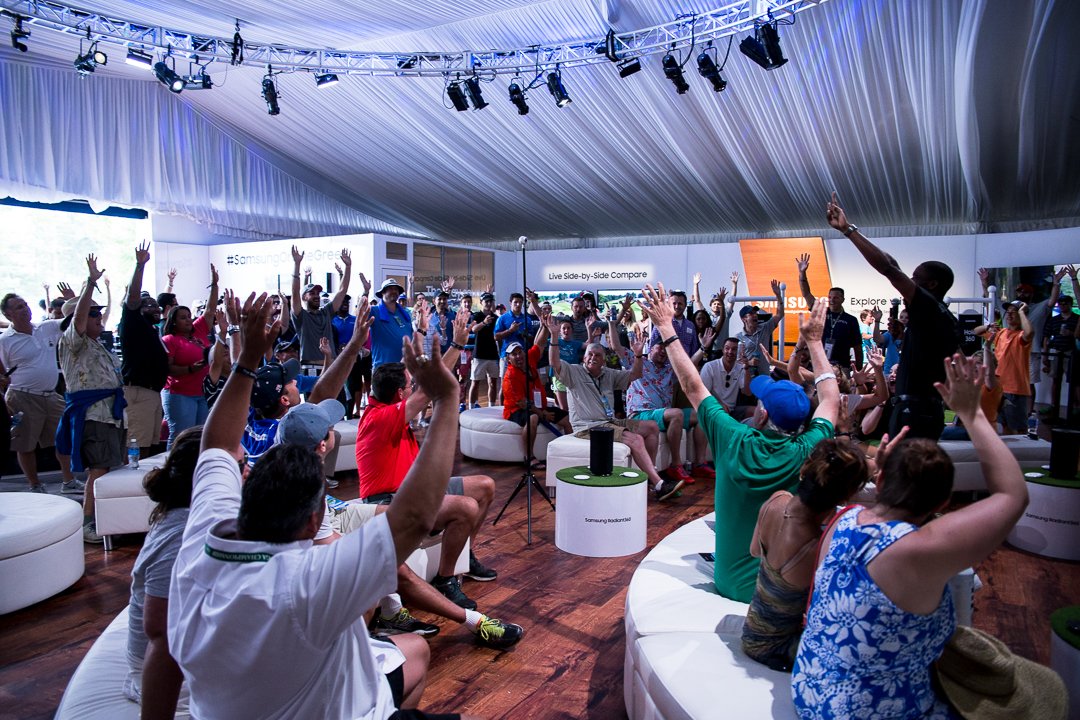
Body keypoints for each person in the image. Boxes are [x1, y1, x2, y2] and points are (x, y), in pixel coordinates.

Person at [168, 292, 468, 720]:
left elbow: (215, 445)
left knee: (409, 646)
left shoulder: (202, 542)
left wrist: (247, 358)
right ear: (313, 522)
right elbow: (415, 517)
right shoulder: (308, 585)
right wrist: (448, 398)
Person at [792, 353, 1030, 719]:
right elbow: (1013, 495)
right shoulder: (918, 548)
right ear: (944, 502)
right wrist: (973, 414)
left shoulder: (844, 519)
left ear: (881, 479)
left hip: (809, 692)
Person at [637, 284, 839, 603]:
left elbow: (691, 385)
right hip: (783, 590)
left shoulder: (734, 438)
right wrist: (815, 343)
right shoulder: (808, 447)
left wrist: (664, 326)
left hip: (732, 585)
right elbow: (831, 400)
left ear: (762, 413)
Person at [280, 401, 524, 651]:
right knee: (393, 567)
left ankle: (412, 599)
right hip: (328, 528)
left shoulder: (292, 461)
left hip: (341, 510)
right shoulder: (304, 487)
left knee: (412, 519)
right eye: (331, 428)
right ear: (322, 444)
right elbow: (325, 541)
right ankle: (475, 621)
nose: (336, 429)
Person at [356, 313, 499, 611]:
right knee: (465, 507)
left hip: (415, 489)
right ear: (400, 394)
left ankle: (465, 554)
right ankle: (445, 580)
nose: (414, 388)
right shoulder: (379, 418)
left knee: (484, 486)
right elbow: (433, 387)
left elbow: (423, 384)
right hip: (390, 500)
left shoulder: (388, 406)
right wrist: (456, 345)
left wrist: (426, 335)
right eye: (410, 385)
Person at [826, 193, 960, 439]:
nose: (910, 282)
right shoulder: (943, 317)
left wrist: (848, 230)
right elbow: (894, 266)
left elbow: (889, 269)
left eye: (916, 279)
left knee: (905, 462)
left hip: (916, 410)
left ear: (932, 285)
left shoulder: (930, 308)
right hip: (923, 408)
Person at [741, 438, 868, 672]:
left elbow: (754, 551)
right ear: (846, 497)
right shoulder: (815, 547)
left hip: (752, 632)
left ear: (805, 470)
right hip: (778, 648)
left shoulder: (776, 500)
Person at [542, 312, 678, 501]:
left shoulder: (608, 374)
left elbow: (635, 375)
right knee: (636, 439)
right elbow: (554, 363)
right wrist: (554, 336)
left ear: (603, 360)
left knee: (652, 426)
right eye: (590, 354)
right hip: (589, 426)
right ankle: (658, 483)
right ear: (584, 358)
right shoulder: (574, 372)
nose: (593, 358)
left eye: (597, 355)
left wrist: (638, 355)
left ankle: (648, 475)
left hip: (609, 422)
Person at [125, 426, 205, 718]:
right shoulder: (181, 536)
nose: (248, 471)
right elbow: (161, 632)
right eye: (239, 464)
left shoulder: (188, 513)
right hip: (169, 672)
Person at [56, 254, 127, 543]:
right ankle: (88, 521)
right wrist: (90, 283)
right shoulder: (73, 342)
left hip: (111, 414)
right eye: (93, 314)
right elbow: (79, 318)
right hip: (94, 415)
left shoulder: (98, 346)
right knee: (99, 469)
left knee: (111, 468)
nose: (99, 318)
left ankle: (108, 519)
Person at [0, 292, 81, 493]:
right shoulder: (4, 340)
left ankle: (68, 481)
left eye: (25, 304)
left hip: (51, 395)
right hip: (22, 396)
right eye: (19, 307)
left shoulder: (45, 328)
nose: (25, 309)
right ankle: (34, 485)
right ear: (8, 314)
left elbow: (72, 320)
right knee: (25, 445)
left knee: (63, 438)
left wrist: (73, 300)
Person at [119, 242, 169, 456]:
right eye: (149, 305)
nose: (156, 308)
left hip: (152, 392)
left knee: (149, 445)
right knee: (137, 446)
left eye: (157, 305)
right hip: (138, 391)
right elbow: (132, 297)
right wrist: (140, 266)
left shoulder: (152, 329)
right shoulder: (132, 322)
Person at [161, 266, 218, 449]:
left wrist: (214, 285)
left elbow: (210, 310)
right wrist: (189, 369)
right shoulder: (170, 340)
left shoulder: (198, 331)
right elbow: (167, 368)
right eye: (183, 318)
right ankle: (171, 464)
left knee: (199, 436)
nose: (188, 320)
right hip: (180, 394)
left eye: (188, 316)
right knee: (181, 435)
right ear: (173, 322)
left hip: (202, 393)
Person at [502, 331, 571, 466]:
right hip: (516, 410)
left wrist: (545, 326)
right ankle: (529, 457)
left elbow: (539, 344)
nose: (518, 356)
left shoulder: (529, 358)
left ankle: (569, 452)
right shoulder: (510, 376)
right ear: (508, 359)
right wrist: (542, 414)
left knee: (567, 419)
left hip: (539, 405)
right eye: (514, 354)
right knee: (533, 418)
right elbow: (522, 403)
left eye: (520, 352)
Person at [289, 246, 353, 377]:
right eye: (312, 293)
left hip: (331, 366)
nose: (316, 296)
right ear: (304, 297)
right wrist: (297, 264)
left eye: (317, 293)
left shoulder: (326, 312)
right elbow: (295, 292)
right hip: (310, 369)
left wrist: (348, 267)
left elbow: (342, 291)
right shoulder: (300, 316)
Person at [796, 253, 864, 369]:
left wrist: (858, 370)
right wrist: (802, 273)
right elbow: (806, 294)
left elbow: (857, 347)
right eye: (830, 297)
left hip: (841, 367)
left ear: (842, 299)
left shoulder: (851, 320)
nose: (832, 300)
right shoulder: (821, 312)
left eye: (836, 297)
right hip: (819, 364)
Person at [974, 301, 1033, 434]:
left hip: (1015, 389)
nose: (1009, 315)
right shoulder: (1001, 333)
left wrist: (1022, 312)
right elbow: (976, 331)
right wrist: (988, 326)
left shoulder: (1021, 336)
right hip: (999, 388)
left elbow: (1029, 333)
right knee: (1003, 426)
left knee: (1018, 428)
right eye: (1008, 312)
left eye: (1014, 312)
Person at [736, 280, 785, 377]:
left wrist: (778, 296)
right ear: (744, 319)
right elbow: (736, 362)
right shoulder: (738, 337)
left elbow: (780, 314)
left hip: (764, 376)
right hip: (747, 378)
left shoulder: (765, 328)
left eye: (755, 313)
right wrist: (749, 363)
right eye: (751, 314)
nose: (755, 315)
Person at [699, 337, 752, 417]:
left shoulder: (741, 367)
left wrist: (747, 369)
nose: (730, 352)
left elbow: (747, 392)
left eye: (734, 349)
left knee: (757, 412)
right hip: (713, 409)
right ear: (723, 350)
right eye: (727, 348)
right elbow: (703, 393)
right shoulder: (710, 367)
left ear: (739, 352)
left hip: (732, 410)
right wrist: (719, 404)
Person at [369, 278, 414, 371]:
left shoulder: (404, 314)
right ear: (382, 292)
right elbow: (360, 315)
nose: (394, 291)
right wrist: (365, 292)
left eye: (396, 289)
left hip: (404, 368)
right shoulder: (374, 311)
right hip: (383, 369)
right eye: (390, 289)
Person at [468, 292, 500, 408]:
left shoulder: (496, 318)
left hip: (492, 354)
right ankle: (471, 408)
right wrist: (484, 322)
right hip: (479, 354)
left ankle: (492, 407)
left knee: (493, 382)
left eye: (490, 301)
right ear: (481, 302)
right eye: (486, 301)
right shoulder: (477, 316)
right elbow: (474, 329)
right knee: (475, 382)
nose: (488, 303)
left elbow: (498, 334)